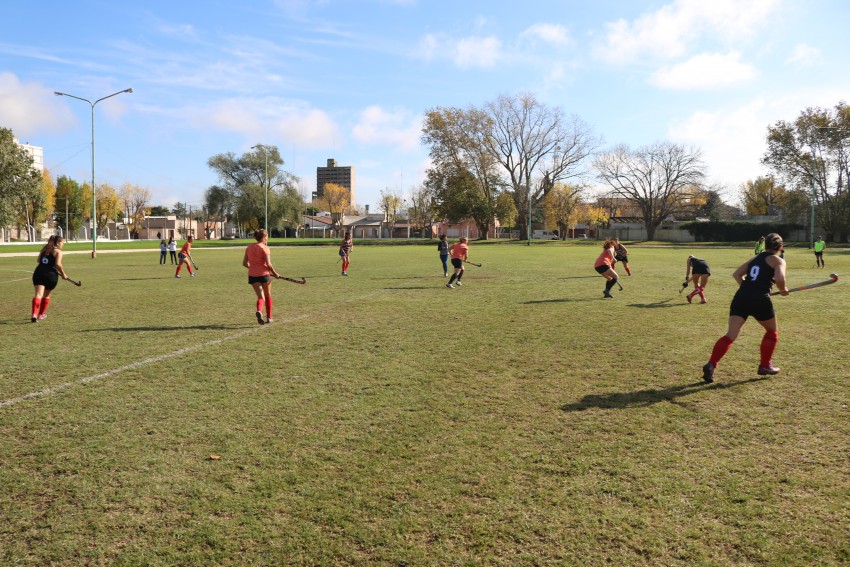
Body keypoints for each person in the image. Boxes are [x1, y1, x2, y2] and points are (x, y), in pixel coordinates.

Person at [702, 233, 789, 383]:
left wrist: (748, 289)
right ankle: (765, 365)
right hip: (760, 299)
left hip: (741, 297)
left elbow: (737, 274)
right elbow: (780, 278)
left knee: (730, 335)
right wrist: (783, 290)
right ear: (780, 247)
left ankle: (711, 364)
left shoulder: (755, 258)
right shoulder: (778, 261)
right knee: (771, 331)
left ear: (765, 245)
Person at [243, 229, 282, 325]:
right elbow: (268, 264)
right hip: (264, 275)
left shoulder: (249, 248)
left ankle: (259, 310)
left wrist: (253, 267)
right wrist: (275, 273)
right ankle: (269, 317)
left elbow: (244, 263)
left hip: (252, 275)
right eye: (267, 236)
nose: (267, 238)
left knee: (261, 297)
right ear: (263, 238)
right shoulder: (265, 248)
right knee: (268, 295)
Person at [31, 235, 72, 322]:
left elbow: (39, 260)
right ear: (57, 243)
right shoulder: (58, 252)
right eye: (62, 242)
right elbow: (58, 264)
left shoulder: (44, 250)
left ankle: (34, 314)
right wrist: (63, 274)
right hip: (50, 276)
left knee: (38, 294)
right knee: (46, 296)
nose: (63, 244)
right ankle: (41, 314)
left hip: (39, 272)